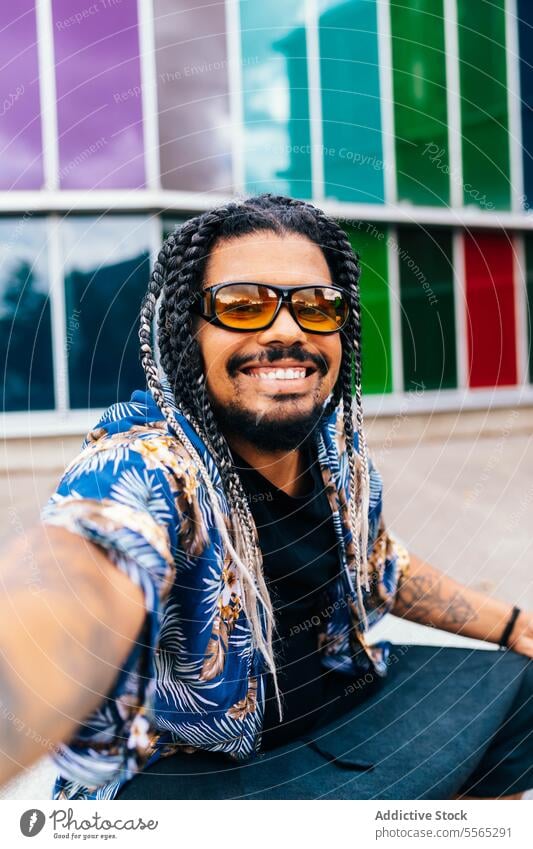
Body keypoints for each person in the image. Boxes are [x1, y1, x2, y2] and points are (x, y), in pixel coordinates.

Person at [1, 194, 532, 801]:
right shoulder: (145, 467)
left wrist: (513, 624)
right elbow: (87, 562)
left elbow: (380, 565)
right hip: (205, 773)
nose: (287, 330)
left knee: (517, 690)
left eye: (315, 306)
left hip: (345, 713)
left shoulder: (334, 448)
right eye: (242, 305)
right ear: (185, 331)